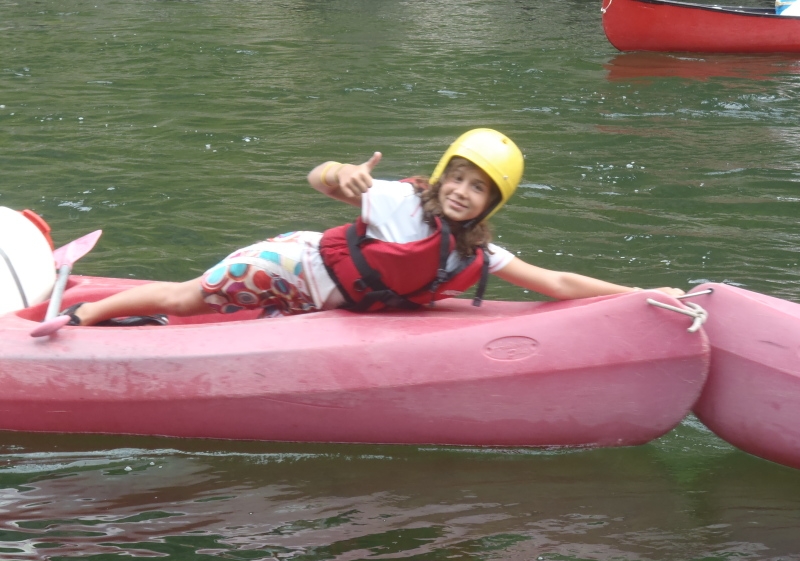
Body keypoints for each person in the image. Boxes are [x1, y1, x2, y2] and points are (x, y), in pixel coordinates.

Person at [62, 128, 683, 326]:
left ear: (492, 203)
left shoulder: (477, 251)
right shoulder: (400, 201)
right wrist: (341, 173)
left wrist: (643, 295)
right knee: (186, 296)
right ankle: (81, 318)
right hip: (288, 264)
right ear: (443, 177)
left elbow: (555, 281)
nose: (464, 194)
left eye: (480, 189)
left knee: (205, 311)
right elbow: (320, 178)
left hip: (327, 299)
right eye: (459, 179)